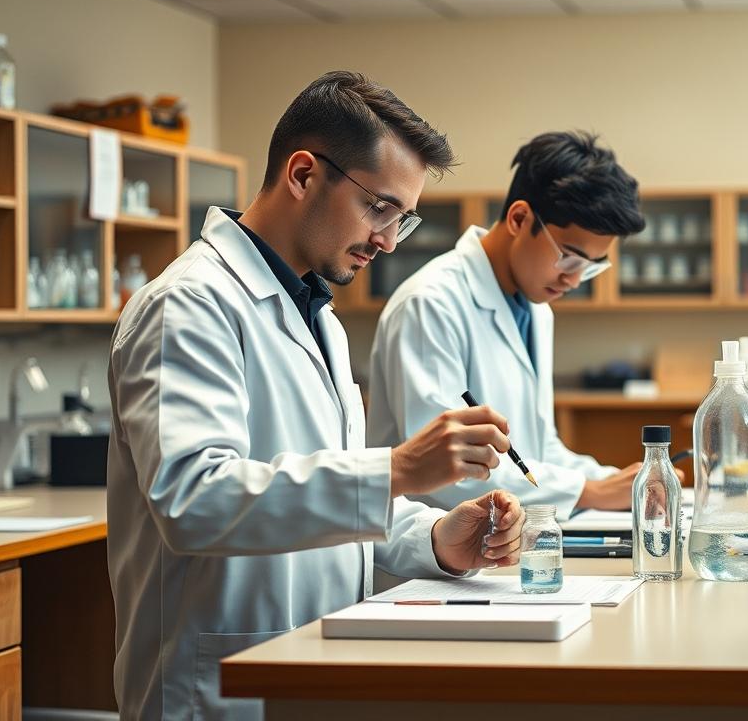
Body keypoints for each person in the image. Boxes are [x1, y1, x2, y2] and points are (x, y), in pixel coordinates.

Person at [107, 71, 526, 721]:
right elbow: (193, 500)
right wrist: (395, 469)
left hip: (308, 671)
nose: (388, 240)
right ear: (303, 174)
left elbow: (328, 509)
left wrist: (438, 538)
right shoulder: (188, 305)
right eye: (380, 208)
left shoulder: (317, 316)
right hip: (214, 687)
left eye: (402, 220)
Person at [369, 131, 649, 513]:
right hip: (428, 555)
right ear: (519, 218)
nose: (572, 280)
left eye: (589, 269)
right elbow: (443, 470)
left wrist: (620, 482)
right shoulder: (430, 304)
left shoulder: (535, 308)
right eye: (569, 259)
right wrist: (587, 492)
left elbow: (539, 447)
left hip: (505, 542)